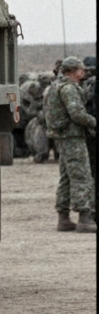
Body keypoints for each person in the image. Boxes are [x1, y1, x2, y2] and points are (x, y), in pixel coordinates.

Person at [42, 56, 96, 233]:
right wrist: (93, 122)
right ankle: (85, 217)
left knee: (66, 177)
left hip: (62, 137)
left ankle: (63, 218)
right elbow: (77, 114)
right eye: (81, 70)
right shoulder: (69, 88)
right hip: (73, 137)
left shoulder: (55, 86)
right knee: (82, 175)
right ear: (72, 71)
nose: (83, 72)